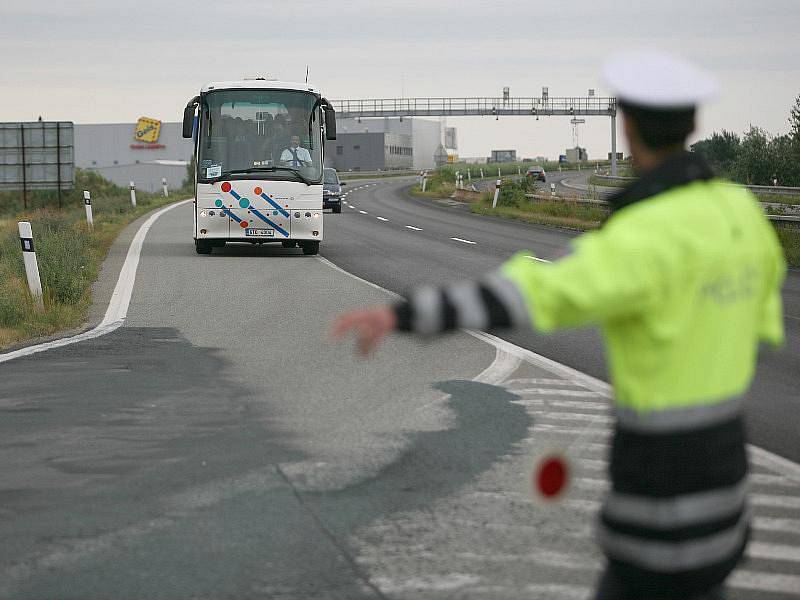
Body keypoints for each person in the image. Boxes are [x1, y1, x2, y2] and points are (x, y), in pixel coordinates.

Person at [331, 52, 786, 599]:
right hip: (730, 490)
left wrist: (403, 313)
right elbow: (759, 325)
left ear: (628, 124)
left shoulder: (644, 232)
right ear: (693, 125)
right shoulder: (742, 214)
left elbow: (536, 294)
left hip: (660, 495)